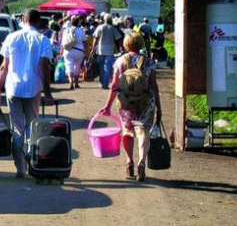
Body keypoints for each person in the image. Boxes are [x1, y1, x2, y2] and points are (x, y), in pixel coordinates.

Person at [0, 9, 55, 178]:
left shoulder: (11, 38)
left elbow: (4, 66)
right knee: (32, 127)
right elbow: (44, 67)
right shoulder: (43, 40)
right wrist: (48, 93)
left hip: (13, 89)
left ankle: (20, 168)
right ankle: (32, 162)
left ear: (22, 20)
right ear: (38, 22)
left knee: (17, 130)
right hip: (33, 89)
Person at [99, 32, 162, 182]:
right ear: (141, 44)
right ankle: (141, 161)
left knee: (127, 131)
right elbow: (154, 86)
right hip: (145, 103)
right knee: (142, 132)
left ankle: (129, 163)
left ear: (125, 45)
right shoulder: (149, 62)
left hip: (125, 103)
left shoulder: (120, 61)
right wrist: (159, 107)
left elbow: (114, 85)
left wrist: (107, 106)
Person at [92, 13, 123, 89]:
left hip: (100, 50)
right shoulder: (113, 29)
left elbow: (95, 38)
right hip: (110, 50)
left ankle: (102, 82)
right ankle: (105, 84)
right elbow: (118, 39)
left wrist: (93, 48)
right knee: (108, 67)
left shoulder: (100, 27)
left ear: (104, 19)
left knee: (101, 67)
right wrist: (122, 47)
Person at [62, 15, 88, 90]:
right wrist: (87, 53)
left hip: (68, 50)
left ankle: (71, 81)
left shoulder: (66, 30)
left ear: (71, 22)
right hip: (79, 51)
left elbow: (63, 43)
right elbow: (85, 43)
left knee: (69, 65)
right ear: (78, 23)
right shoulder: (81, 31)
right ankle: (76, 83)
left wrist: (61, 52)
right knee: (77, 66)